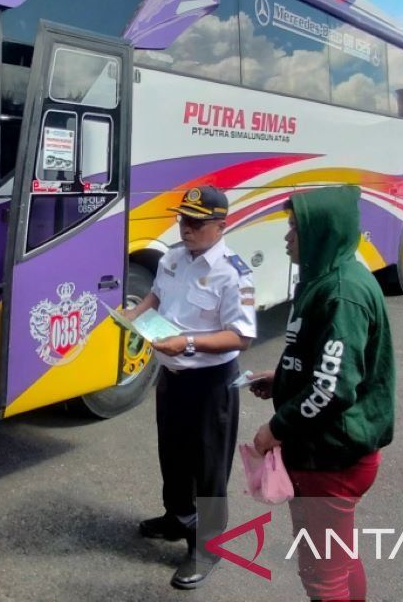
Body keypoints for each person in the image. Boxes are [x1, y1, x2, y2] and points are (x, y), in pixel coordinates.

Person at [249, 186, 395, 602]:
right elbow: (327, 363)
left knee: (321, 576)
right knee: (339, 559)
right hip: (335, 451)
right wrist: (283, 378)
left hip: (330, 455)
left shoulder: (341, 292)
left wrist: (274, 430)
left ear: (321, 233)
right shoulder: (331, 279)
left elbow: (332, 389)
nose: (287, 237)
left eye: (295, 229)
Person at [125, 185, 256, 590]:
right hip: (173, 377)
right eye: (183, 219)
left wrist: (189, 343)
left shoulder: (234, 272)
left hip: (210, 383)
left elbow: (242, 336)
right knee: (174, 456)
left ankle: (209, 546)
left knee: (209, 468)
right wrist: (134, 314)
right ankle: (177, 517)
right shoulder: (172, 258)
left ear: (221, 225)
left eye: (197, 223)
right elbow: (157, 296)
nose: (186, 228)